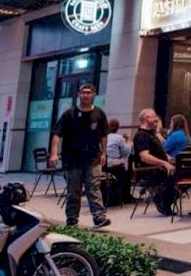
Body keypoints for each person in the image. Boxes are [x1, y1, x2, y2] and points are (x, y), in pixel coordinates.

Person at [49, 83, 111, 229]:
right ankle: (72, 219)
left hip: (93, 157)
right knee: (74, 190)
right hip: (72, 159)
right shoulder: (69, 114)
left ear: (93, 95)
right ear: (78, 95)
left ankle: (99, 217)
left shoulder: (99, 114)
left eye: (89, 92)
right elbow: (57, 134)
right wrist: (54, 153)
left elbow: (103, 135)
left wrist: (104, 153)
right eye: (83, 92)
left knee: (94, 187)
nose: (85, 95)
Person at [133, 108, 183, 216]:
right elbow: (144, 157)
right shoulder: (142, 135)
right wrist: (164, 163)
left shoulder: (152, 134)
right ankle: (162, 198)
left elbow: (160, 152)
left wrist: (170, 159)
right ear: (146, 118)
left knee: (188, 172)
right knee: (181, 174)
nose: (156, 119)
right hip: (150, 170)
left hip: (160, 167)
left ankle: (164, 198)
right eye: (154, 116)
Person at [104, 118, 133, 206]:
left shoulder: (103, 137)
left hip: (103, 165)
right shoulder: (118, 138)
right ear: (117, 127)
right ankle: (125, 197)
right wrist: (128, 141)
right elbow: (126, 152)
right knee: (126, 171)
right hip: (114, 166)